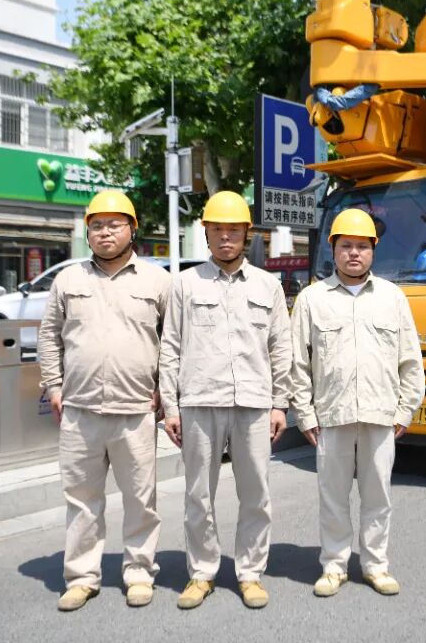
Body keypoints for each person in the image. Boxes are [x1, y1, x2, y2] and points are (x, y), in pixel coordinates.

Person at [38, 190, 171, 612]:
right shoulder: (68, 280)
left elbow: (172, 342)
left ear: (133, 229)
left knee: (141, 501)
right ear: (87, 233)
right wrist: (54, 386)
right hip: (80, 412)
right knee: (82, 500)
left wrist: (165, 391)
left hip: (136, 411)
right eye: (97, 225)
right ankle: (81, 577)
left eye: (114, 224)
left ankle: (139, 572)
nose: (105, 232)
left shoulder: (157, 281)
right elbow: (49, 336)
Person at [158, 190, 292, 610]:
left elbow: (281, 348)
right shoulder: (185, 284)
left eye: (234, 230)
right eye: (217, 229)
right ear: (206, 233)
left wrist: (279, 403)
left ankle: (250, 573)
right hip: (199, 401)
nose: (226, 237)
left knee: (256, 494)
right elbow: (170, 346)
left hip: (253, 403)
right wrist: (171, 406)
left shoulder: (268, 285)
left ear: (247, 233)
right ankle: (202, 572)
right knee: (198, 495)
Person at [289, 207, 425, 598]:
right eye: (346, 245)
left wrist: (405, 410)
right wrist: (305, 415)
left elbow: (410, 360)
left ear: (373, 250)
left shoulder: (392, 298)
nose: (354, 253)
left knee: (377, 496)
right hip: (331, 415)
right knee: (332, 497)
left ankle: (375, 565)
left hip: (381, 414)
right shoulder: (312, 300)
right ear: (332, 249)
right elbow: (298, 363)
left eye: (362, 246)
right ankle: (334, 566)